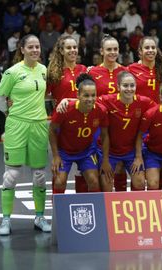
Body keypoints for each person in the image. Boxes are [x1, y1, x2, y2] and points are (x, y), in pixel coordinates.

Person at [0, 34, 50, 236]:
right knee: (12, 175)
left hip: (39, 126)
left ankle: (40, 217)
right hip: (17, 126)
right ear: (22, 49)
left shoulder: (44, 71)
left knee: (39, 174)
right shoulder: (12, 72)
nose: (35, 50)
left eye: (37, 47)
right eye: (31, 47)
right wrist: (10, 114)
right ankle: (6, 220)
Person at [49, 74, 110, 193]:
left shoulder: (101, 110)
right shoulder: (65, 109)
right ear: (78, 96)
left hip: (86, 151)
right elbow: (52, 130)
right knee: (59, 182)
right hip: (64, 152)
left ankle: (93, 210)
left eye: (93, 95)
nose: (90, 99)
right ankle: (58, 210)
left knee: (94, 181)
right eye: (86, 95)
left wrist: (105, 160)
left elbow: (105, 135)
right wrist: (56, 156)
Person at [97, 71, 152, 191]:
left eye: (132, 85)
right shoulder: (107, 100)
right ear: (118, 87)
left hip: (131, 151)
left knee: (140, 182)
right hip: (109, 152)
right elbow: (87, 100)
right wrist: (67, 100)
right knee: (106, 185)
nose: (129, 89)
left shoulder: (144, 101)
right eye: (125, 86)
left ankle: (134, 208)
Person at [47, 35, 88, 193]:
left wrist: (68, 100)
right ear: (61, 51)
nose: (72, 50)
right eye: (68, 48)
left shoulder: (83, 69)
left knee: (86, 173)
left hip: (84, 123)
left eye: (74, 47)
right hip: (62, 126)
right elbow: (44, 95)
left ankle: (83, 207)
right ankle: (57, 212)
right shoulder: (54, 72)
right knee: (59, 176)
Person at [87, 35, 127, 191]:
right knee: (100, 168)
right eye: (109, 49)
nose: (112, 52)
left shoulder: (125, 71)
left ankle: (121, 206)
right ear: (101, 51)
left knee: (120, 166)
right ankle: (102, 205)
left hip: (121, 125)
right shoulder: (93, 72)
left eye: (115, 49)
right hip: (98, 126)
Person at [128, 36, 162, 103]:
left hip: (160, 111)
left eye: (153, 48)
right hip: (139, 111)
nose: (150, 50)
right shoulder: (131, 69)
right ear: (140, 51)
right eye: (147, 48)